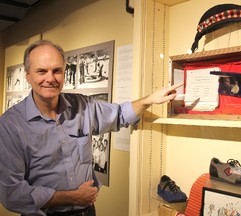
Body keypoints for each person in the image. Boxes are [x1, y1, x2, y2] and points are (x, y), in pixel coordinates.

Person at [0, 40, 183, 216]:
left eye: (57, 71)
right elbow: (11, 193)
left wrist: (149, 99)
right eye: (42, 71)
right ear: (28, 76)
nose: (50, 78)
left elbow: (119, 114)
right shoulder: (11, 124)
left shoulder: (82, 105)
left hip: (87, 212)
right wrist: (70, 197)